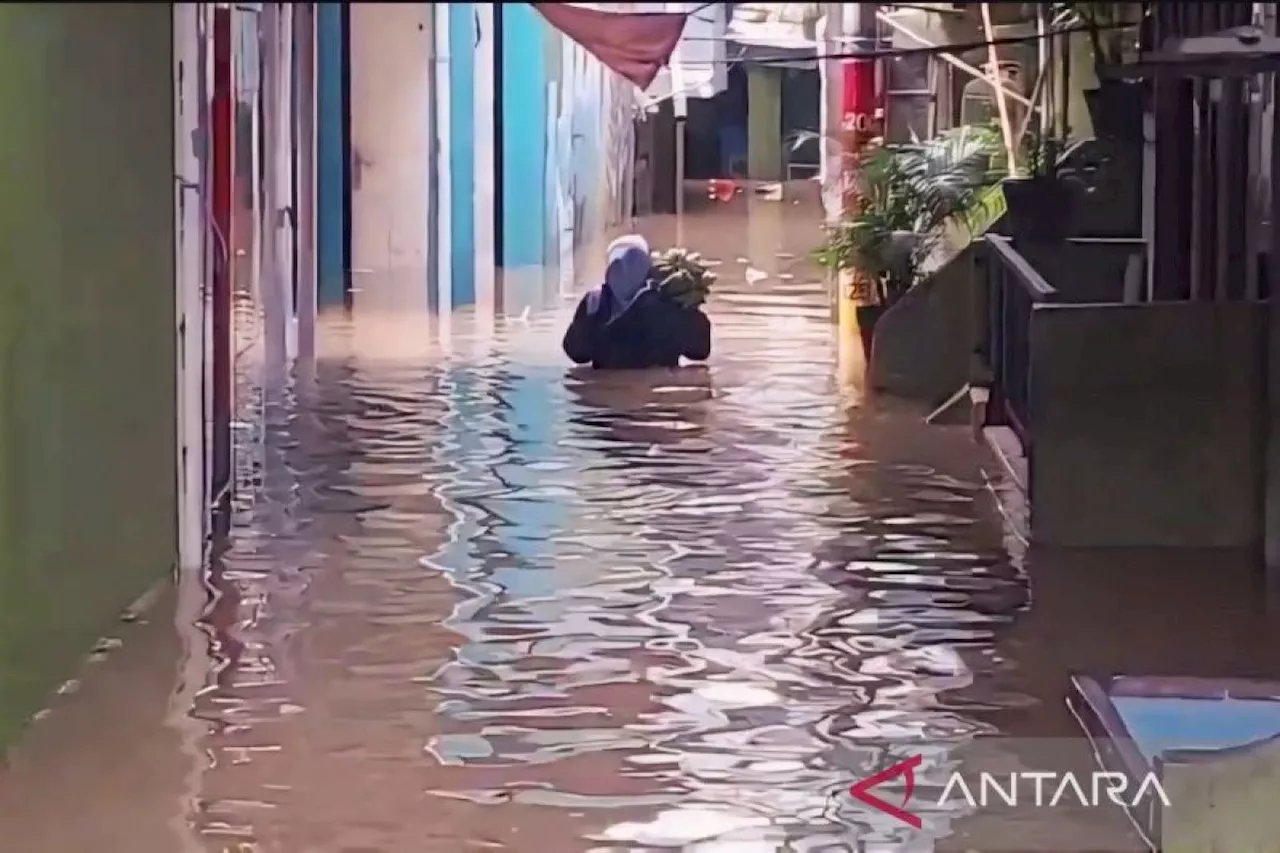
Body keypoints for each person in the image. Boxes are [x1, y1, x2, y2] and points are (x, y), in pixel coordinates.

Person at [562, 235, 711, 370]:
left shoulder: (594, 302)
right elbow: (700, 351)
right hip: (657, 395)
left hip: (608, 394)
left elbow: (576, 353)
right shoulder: (670, 301)